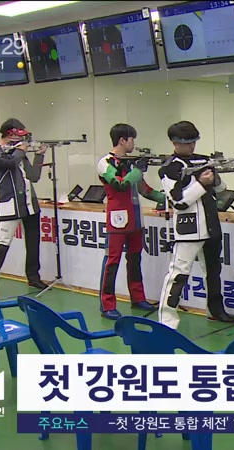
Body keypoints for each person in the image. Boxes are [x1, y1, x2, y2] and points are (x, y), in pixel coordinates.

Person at [157, 121, 234, 329]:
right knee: (178, 274)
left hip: (211, 225)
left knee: (213, 272)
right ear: (175, 143)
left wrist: (214, 179)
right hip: (188, 228)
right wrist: (201, 183)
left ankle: (215, 310)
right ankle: (167, 321)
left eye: (194, 141)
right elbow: (179, 202)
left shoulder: (203, 160)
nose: (192, 146)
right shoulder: (170, 168)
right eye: (187, 142)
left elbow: (222, 189)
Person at [96, 124, 164, 319]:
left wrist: (172, 198)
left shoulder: (130, 164)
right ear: (122, 140)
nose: (134, 143)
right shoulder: (105, 162)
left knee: (135, 260)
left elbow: (145, 190)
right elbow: (120, 184)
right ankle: (107, 304)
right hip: (117, 219)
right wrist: (137, 170)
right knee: (112, 261)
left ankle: (138, 297)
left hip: (135, 219)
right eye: (132, 139)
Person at [0, 118, 49, 290]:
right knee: (2, 243)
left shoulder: (18, 153)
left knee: (33, 243)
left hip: (29, 204)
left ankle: (33, 277)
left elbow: (34, 176)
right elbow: (8, 163)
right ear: (9, 134)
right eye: (19, 135)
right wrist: (20, 150)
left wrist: (40, 155)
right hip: (10, 203)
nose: (22, 139)